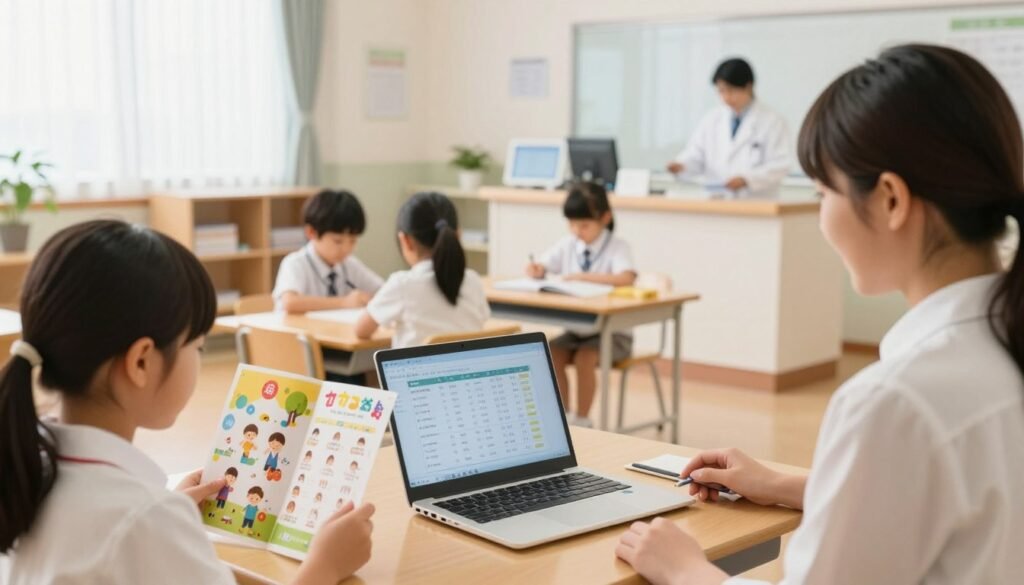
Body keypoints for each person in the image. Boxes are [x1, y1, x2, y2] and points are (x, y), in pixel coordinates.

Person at [618, 44, 1024, 584]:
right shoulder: (995, 351)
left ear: (890, 200)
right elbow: (953, 504)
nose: (821, 219)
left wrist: (687, 569)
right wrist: (790, 483)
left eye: (821, 192)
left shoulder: (895, 403)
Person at [0, 220, 375, 584]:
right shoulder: (145, 522)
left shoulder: (25, 467)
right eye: (197, 345)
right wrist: (324, 567)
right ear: (141, 362)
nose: (199, 356)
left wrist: (167, 511)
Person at [526, 182, 636, 427]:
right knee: (551, 352)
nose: (577, 231)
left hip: (613, 334)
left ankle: (583, 421)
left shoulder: (618, 246)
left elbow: (626, 278)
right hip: (577, 331)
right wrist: (537, 269)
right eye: (572, 224)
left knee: (584, 358)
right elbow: (544, 264)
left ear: (605, 218)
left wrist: (582, 277)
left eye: (584, 225)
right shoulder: (568, 244)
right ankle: (564, 417)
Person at [356, 191, 489, 347]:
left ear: (405, 240)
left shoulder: (402, 284)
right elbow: (482, 319)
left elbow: (361, 330)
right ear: (458, 234)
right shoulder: (472, 280)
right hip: (465, 370)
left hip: (416, 371)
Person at [667, 58, 790, 198]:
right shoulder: (712, 119)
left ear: (748, 86)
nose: (726, 97)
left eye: (731, 90)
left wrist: (747, 179)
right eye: (721, 91)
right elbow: (696, 154)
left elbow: (780, 165)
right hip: (717, 202)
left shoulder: (772, 122)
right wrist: (682, 165)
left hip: (755, 204)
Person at [273, 189, 383, 313]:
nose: (346, 249)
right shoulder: (295, 263)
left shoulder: (349, 264)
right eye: (338, 241)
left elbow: (384, 290)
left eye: (352, 241)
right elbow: (290, 303)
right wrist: (344, 302)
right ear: (311, 232)